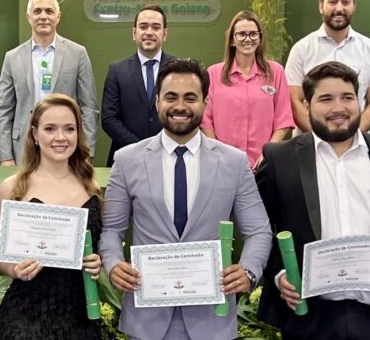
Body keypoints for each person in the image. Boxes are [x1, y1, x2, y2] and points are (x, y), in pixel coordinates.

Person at [255, 61, 370, 340]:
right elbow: (260, 229)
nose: (338, 107)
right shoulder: (280, 159)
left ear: (360, 101)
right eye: (326, 98)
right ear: (306, 104)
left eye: (347, 97)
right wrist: (280, 275)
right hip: (308, 316)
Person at [100, 58, 274, 340]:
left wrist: (249, 270)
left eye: (190, 97)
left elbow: (258, 230)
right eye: (171, 97)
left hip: (212, 319)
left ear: (205, 102)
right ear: (157, 101)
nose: (180, 106)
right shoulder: (127, 159)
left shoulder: (234, 162)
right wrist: (114, 264)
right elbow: (111, 231)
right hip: (147, 320)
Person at [0, 94, 104, 339]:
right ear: (34, 133)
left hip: (81, 316)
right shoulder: (13, 187)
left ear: (79, 133)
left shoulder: (92, 187)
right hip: (25, 317)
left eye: (69, 129)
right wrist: (15, 269)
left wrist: (98, 263)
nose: (60, 138)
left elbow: (100, 249)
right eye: (50, 129)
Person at [0, 0, 97, 166]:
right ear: (28, 17)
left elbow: (89, 107)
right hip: (23, 148)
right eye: (37, 11)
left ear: (58, 17)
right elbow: (4, 110)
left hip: (65, 145)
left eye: (49, 11)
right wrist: (5, 156)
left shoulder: (78, 54)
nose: (43, 16)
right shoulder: (12, 58)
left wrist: (86, 153)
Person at [286, 0, 370, 133]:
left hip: (356, 145)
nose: (339, 8)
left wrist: (351, 136)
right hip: (309, 145)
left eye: (345, 2)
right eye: (332, 2)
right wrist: (320, 137)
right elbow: (293, 100)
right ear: (320, 6)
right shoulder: (301, 49)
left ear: (354, 6)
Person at [202, 10, 293, 168]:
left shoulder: (276, 72)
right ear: (232, 39)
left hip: (264, 165)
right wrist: (218, 152)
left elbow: (283, 119)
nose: (248, 39)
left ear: (260, 38)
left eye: (253, 34)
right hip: (223, 164)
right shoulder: (213, 73)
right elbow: (205, 120)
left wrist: (267, 153)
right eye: (242, 34)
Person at [101, 5, 177, 167]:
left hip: (169, 157)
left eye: (156, 27)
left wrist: (161, 147)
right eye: (143, 27)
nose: (149, 32)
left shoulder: (179, 69)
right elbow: (109, 118)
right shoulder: (117, 70)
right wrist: (139, 147)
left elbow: (182, 112)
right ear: (134, 33)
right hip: (126, 157)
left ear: (164, 34)